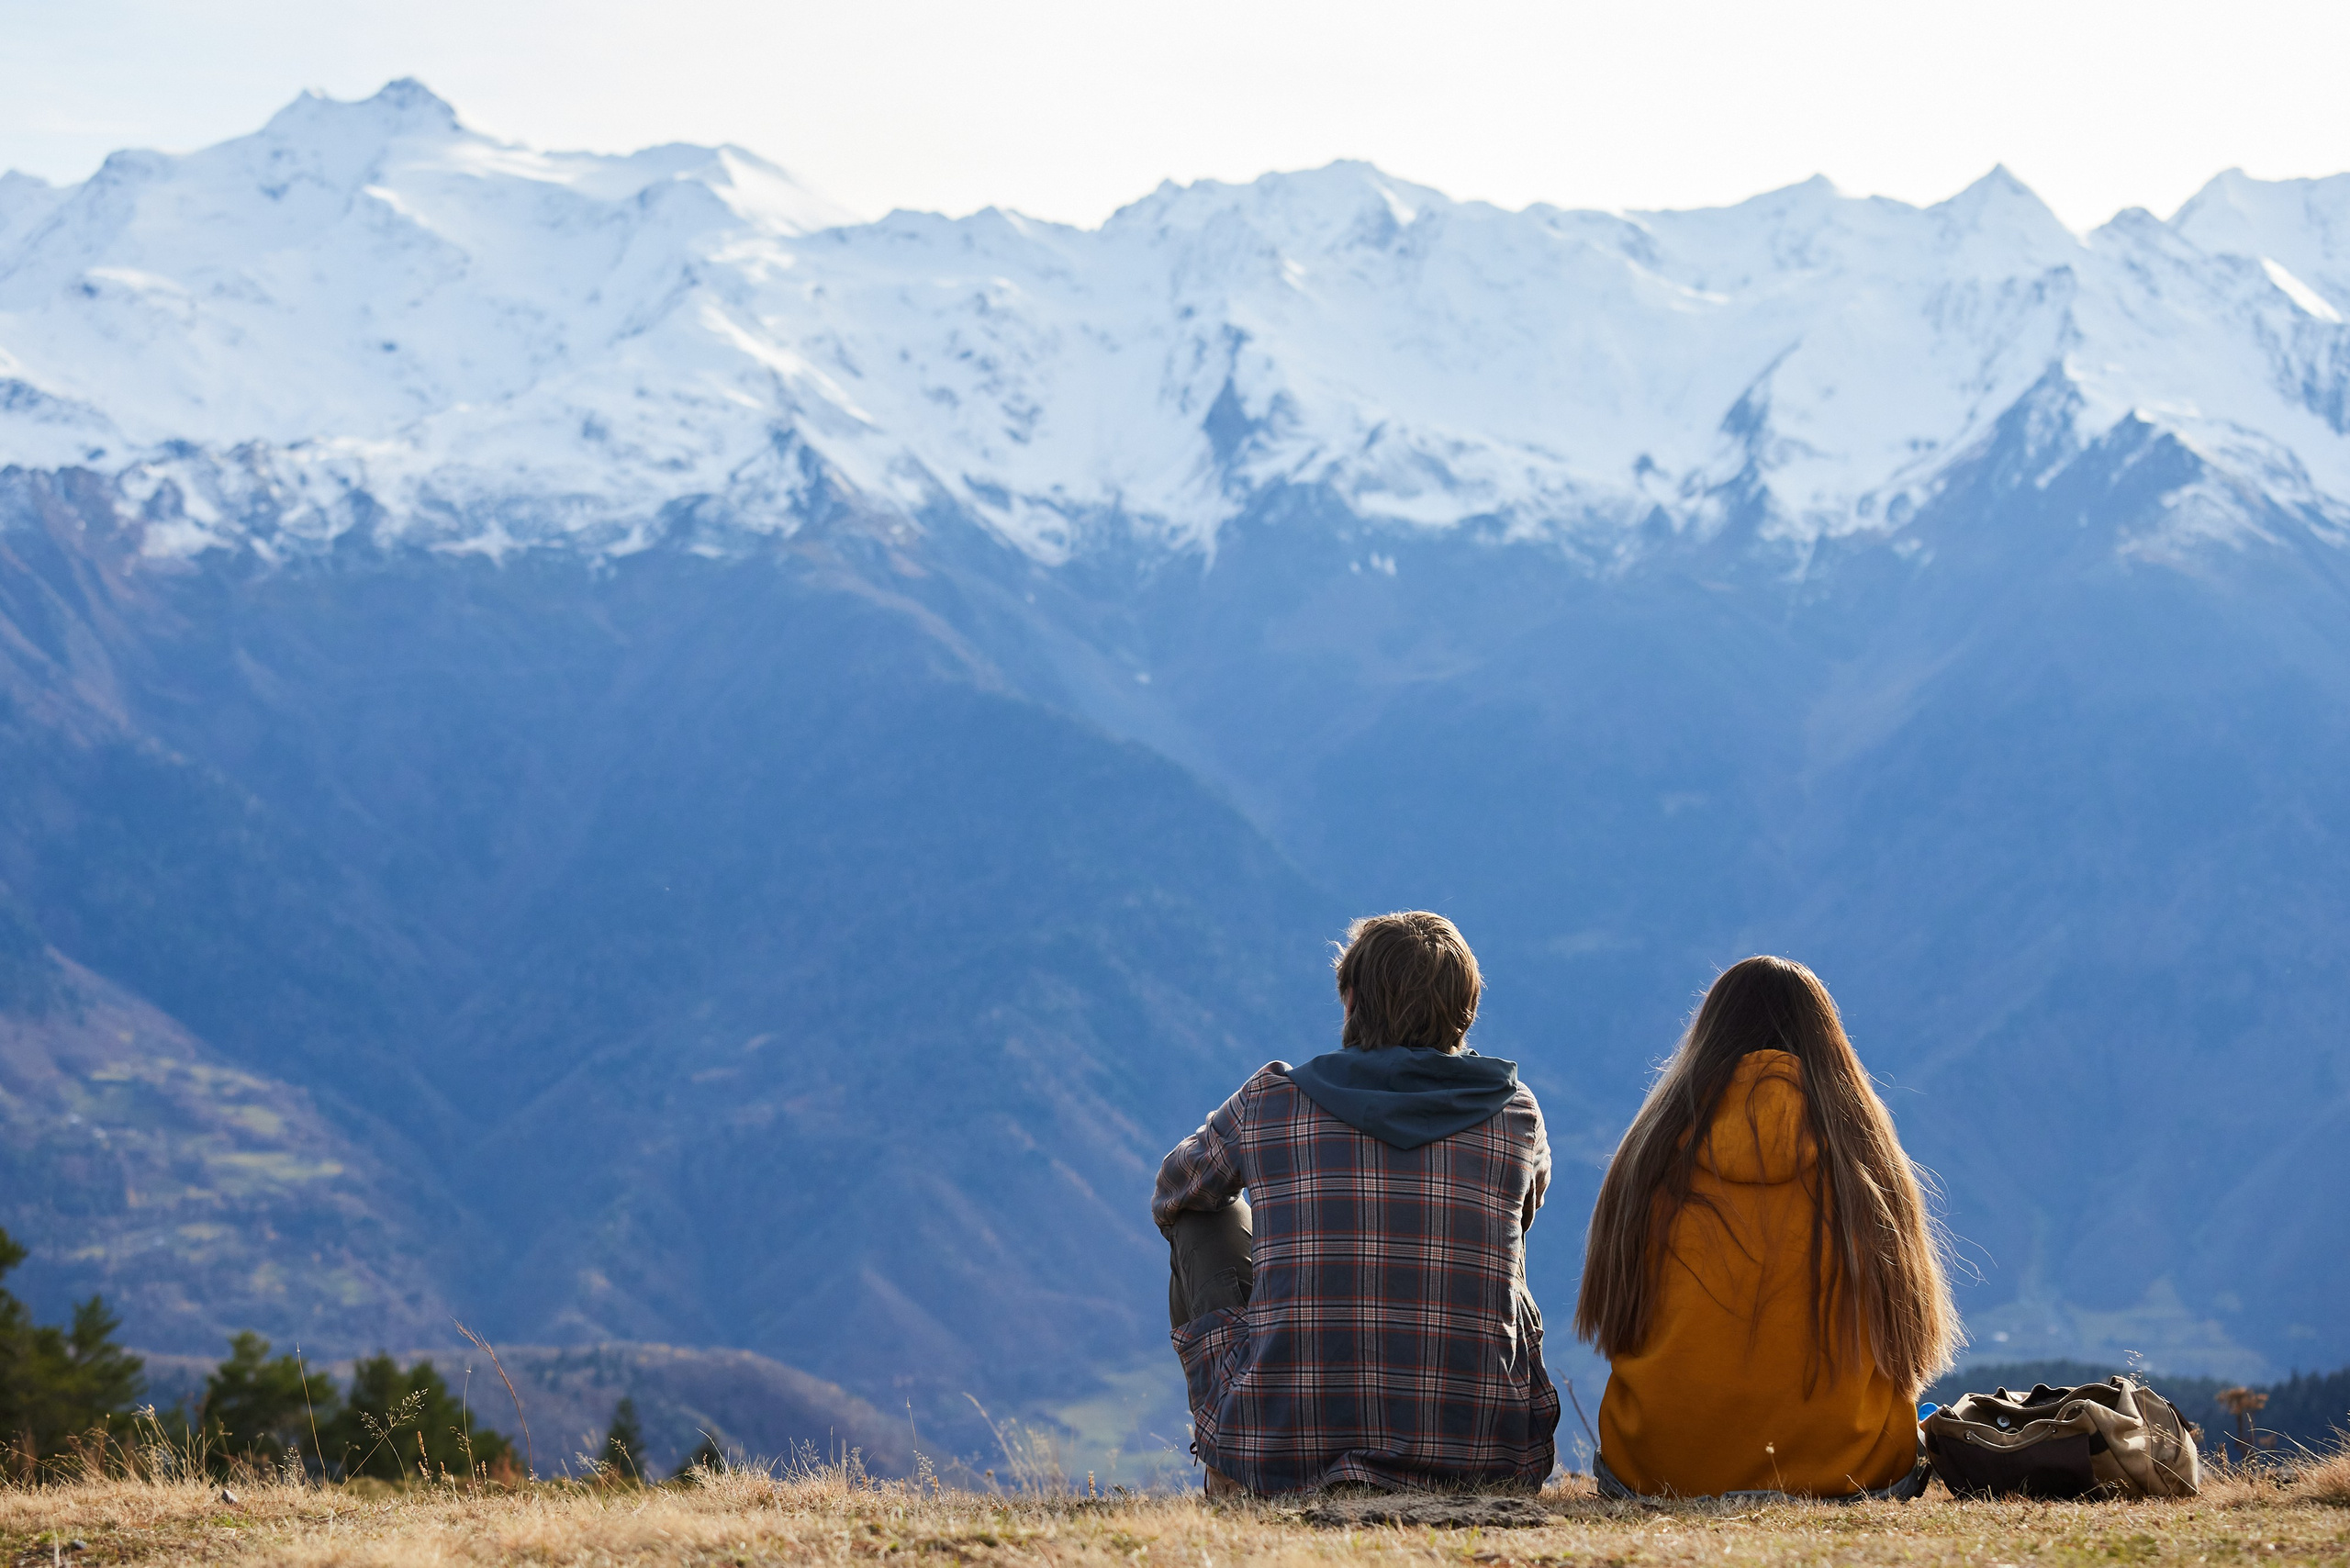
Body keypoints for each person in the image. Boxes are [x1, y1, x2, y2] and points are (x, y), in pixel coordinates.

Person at [1152, 911, 1558, 1495]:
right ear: (1466, 1011)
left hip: (1282, 1457)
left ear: (1350, 1000)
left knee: (1200, 1217)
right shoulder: (1517, 1113)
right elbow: (1520, 1226)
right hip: (1488, 1457)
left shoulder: (1270, 1100)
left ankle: (1232, 1470)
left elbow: (1174, 1190)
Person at [1573, 956, 1961, 1499]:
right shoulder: (1866, 1159)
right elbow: (1909, 1338)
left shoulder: (1648, 1154)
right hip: (1850, 1471)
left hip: (1658, 1470)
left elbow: (1615, 1319)